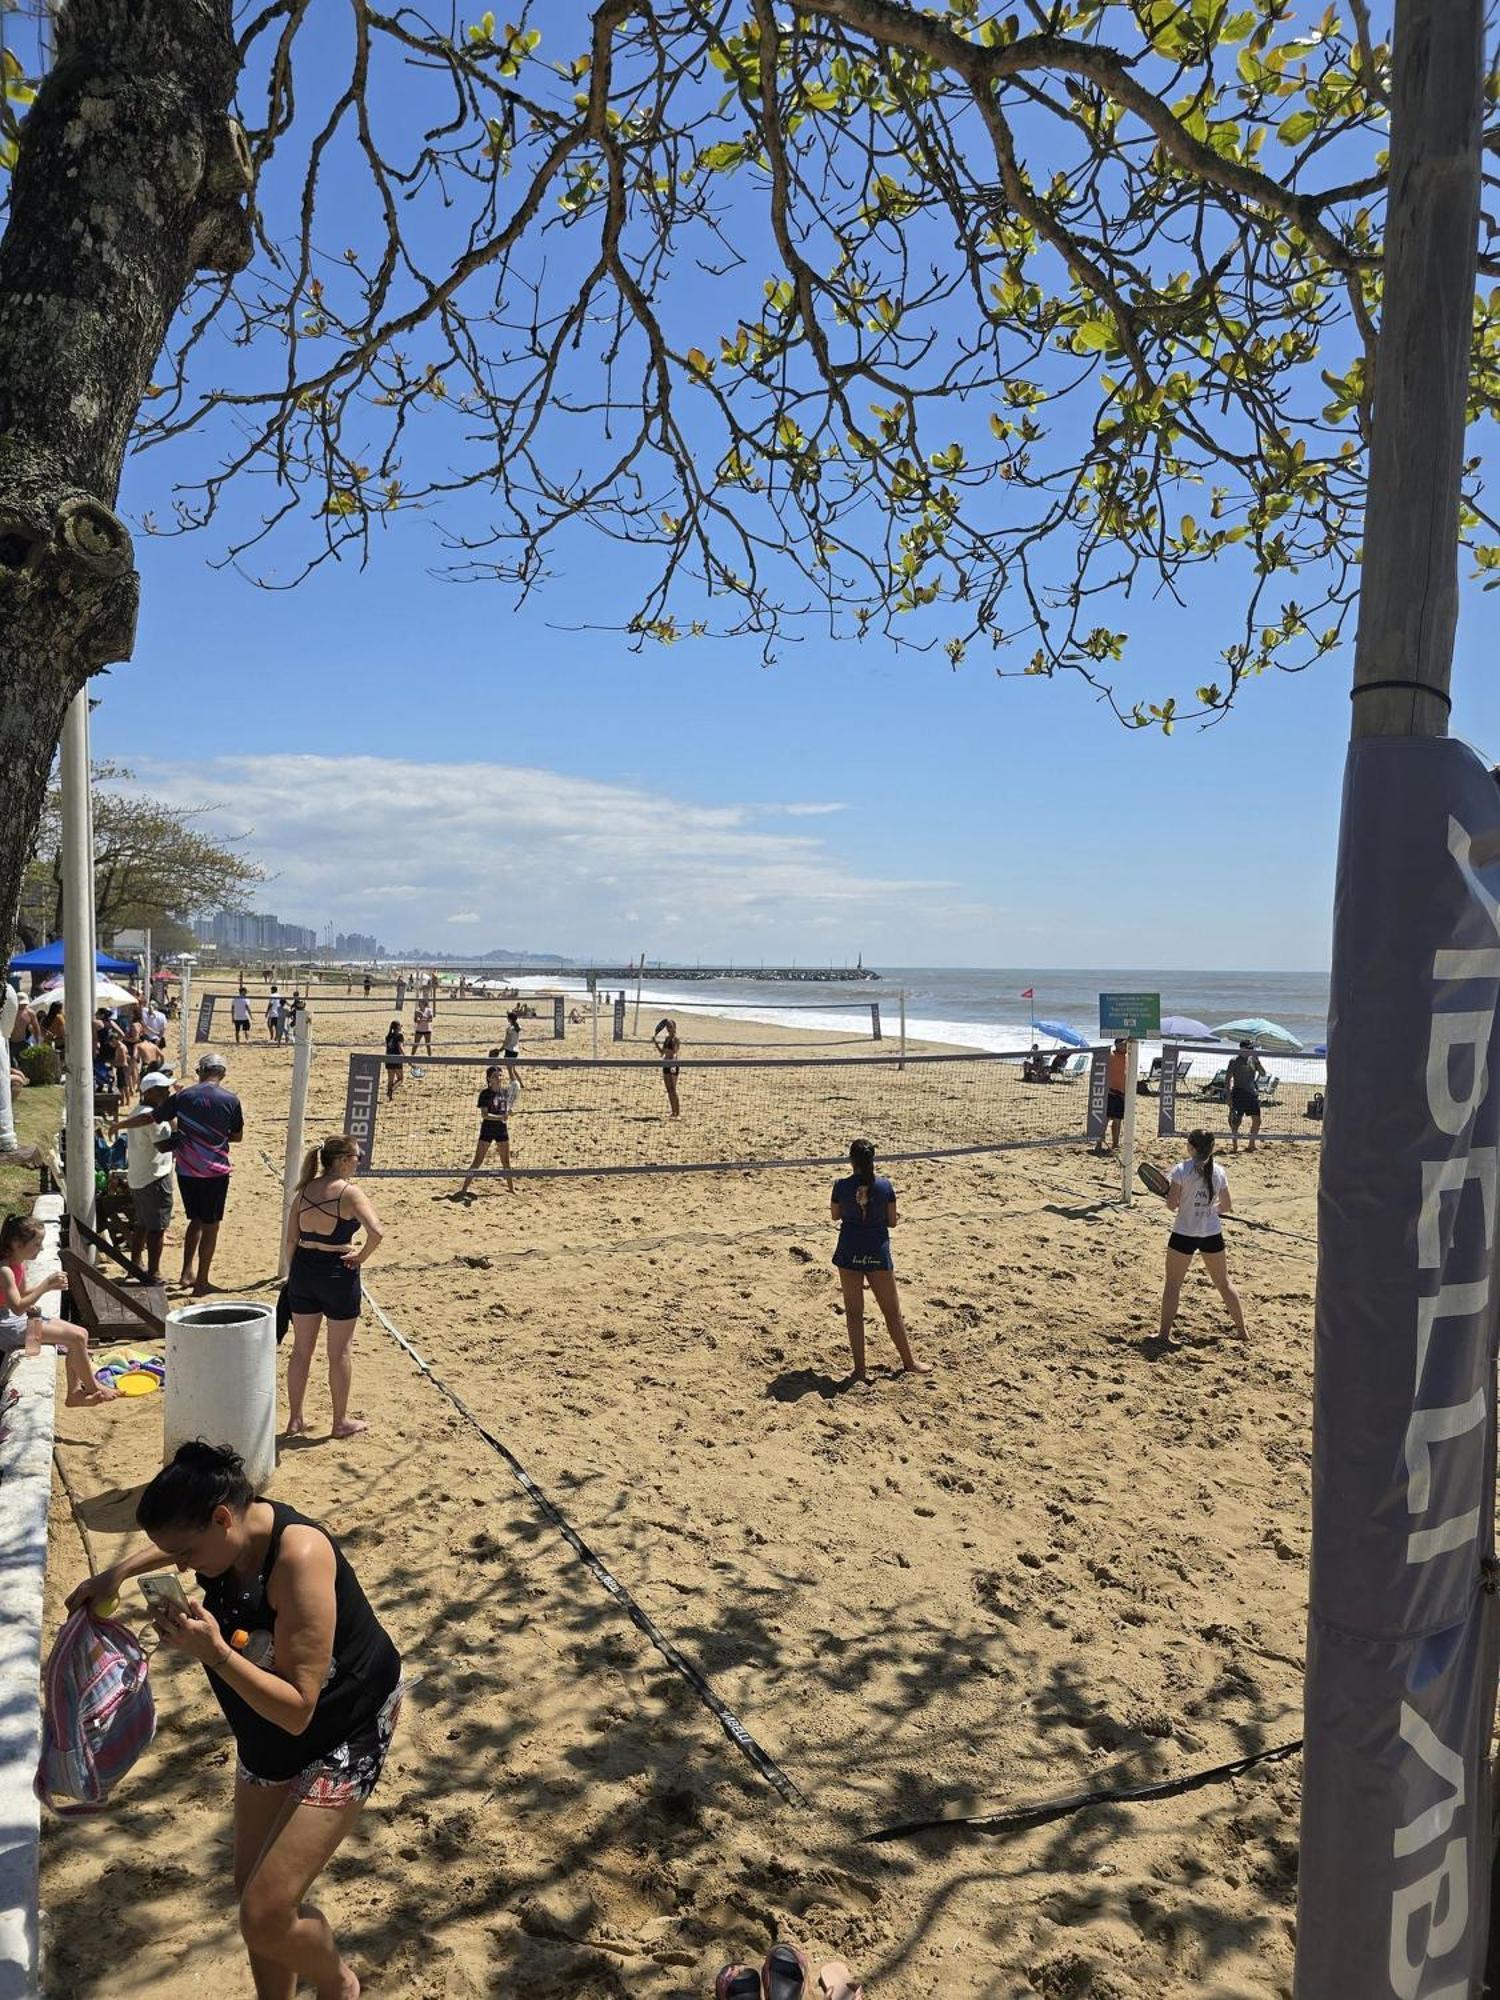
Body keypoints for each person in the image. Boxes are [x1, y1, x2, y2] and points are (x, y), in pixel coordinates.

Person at [65, 1442, 402, 2000]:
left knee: (266, 1914)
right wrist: (119, 1573)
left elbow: (298, 1709)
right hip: (261, 1722)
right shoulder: (221, 1537)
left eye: (187, 1553)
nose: (182, 1565)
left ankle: (338, 1984)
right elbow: (177, 1548)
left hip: (346, 1722)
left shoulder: (298, 1556)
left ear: (222, 1518)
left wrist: (216, 1653)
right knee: (253, 1899)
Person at [284, 1135, 385, 1439]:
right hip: (337, 1273)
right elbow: (377, 1232)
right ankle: (339, 1422)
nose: (359, 1161)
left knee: (300, 1351)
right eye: (357, 1157)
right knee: (339, 1352)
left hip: (303, 1269)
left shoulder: (303, 1191)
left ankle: (295, 1419)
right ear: (342, 1161)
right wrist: (361, 1256)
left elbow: (290, 1239)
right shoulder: (349, 1193)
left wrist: (296, 1274)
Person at [124, 1050, 243, 1295]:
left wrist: (120, 1125)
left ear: (200, 1072)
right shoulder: (230, 1099)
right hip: (214, 1170)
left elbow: (155, 1118)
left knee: (195, 1220)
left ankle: (186, 1271)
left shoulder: (183, 1096)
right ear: (222, 1073)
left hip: (186, 1170)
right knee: (212, 1225)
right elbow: (237, 1136)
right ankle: (201, 1281)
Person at [829, 1139, 927, 1383]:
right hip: (876, 1250)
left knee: (854, 1313)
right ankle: (909, 1362)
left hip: (849, 1249)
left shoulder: (841, 1186)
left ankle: (860, 1371)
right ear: (872, 1160)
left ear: (851, 1161)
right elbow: (892, 1221)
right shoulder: (885, 1186)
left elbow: (835, 1215)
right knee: (892, 1312)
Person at [0, 1214, 117, 1405]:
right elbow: (18, 1307)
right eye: (37, 1244)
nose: (41, 1248)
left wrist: (50, 1286)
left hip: (15, 1321)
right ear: (17, 1244)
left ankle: (75, 1393)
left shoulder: (17, 1264)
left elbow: (20, 1294)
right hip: (7, 1328)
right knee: (76, 1339)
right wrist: (45, 1285)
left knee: (82, 1333)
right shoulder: (4, 1270)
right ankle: (93, 1388)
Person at [1155, 1128, 1248, 1344]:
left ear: (1191, 1147)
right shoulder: (1219, 1172)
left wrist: (1177, 1200)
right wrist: (1210, 1210)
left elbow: (1171, 1206)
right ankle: (1242, 1330)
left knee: (1172, 1286)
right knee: (1224, 1284)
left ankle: (1164, 1335)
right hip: (1212, 1233)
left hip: (1184, 1233)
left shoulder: (1181, 1170)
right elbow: (1226, 1206)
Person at [125, 1071, 175, 1280]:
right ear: (151, 1092)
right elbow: (164, 1145)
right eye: (163, 1090)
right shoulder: (153, 1118)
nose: (168, 1093)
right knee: (157, 1227)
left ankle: (135, 1265)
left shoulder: (138, 1111)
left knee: (142, 1224)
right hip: (155, 1176)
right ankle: (153, 1272)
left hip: (139, 1175)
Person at [455, 1065, 516, 1198]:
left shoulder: (504, 1092)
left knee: (506, 1162)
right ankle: (464, 1189)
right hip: (487, 1130)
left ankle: (512, 1189)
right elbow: (485, 1115)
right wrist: (501, 1117)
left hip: (501, 1130)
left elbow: (504, 1111)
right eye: (495, 1076)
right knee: (477, 1161)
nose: (498, 1078)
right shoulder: (485, 1094)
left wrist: (508, 1112)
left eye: (500, 1075)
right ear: (489, 1079)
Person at [1226, 1039, 1267, 1154]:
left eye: (1253, 1049)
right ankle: (1235, 1146)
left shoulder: (1253, 1060)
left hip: (1251, 1094)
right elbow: (1228, 1079)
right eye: (1250, 1048)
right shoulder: (1234, 1061)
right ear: (1242, 1049)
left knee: (1257, 1120)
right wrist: (1228, 1096)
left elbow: (1263, 1073)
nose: (1252, 1050)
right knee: (1235, 1121)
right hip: (1238, 1093)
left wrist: (1257, 1061)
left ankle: (1251, 1144)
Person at [1093, 1036, 1129, 1155]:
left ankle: (1115, 1144)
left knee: (1118, 1120)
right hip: (1110, 1092)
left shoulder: (1129, 1057)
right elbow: (1099, 1068)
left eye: (1126, 1044)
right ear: (1117, 1045)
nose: (1125, 1046)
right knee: (1105, 1119)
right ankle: (1098, 1144)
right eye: (1123, 1044)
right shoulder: (1110, 1056)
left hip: (1122, 1093)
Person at [652, 1017, 682, 1117]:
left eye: (671, 1026)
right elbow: (662, 1053)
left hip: (673, 1064)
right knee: (669, 1090)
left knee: (673, 1089)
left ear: (674, 1028)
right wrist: (656, 1043)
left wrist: (672, 1060)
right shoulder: (666, 1039)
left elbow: (675, 1052)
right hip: (666, 1064)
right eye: (668, 1027)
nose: (669, 1028)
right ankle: (673, 1111)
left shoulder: (676, 1039)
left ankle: (677, 1112)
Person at [383, 1019, 405, 1099]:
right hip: (396, 1059)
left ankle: (390, 1096)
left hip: (388, 1058)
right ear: (398, 1027)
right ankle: (390, 1091)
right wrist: (405, 1057)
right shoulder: (399, 1035)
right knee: (400, 1079)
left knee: (390, 1080)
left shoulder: (388, 1036)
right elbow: (400, 1047)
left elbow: (388, 1048)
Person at [502, 1007, 523, 1089]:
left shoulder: (509, 1029)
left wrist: (501, 1049)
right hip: (516, 1050)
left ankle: (514, 1085)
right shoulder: (518, 1027)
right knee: (513, 1069)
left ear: (509, 1019)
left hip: (509, 1049)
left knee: (510, 1070)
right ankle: (521, 1083)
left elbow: (506, 1041)